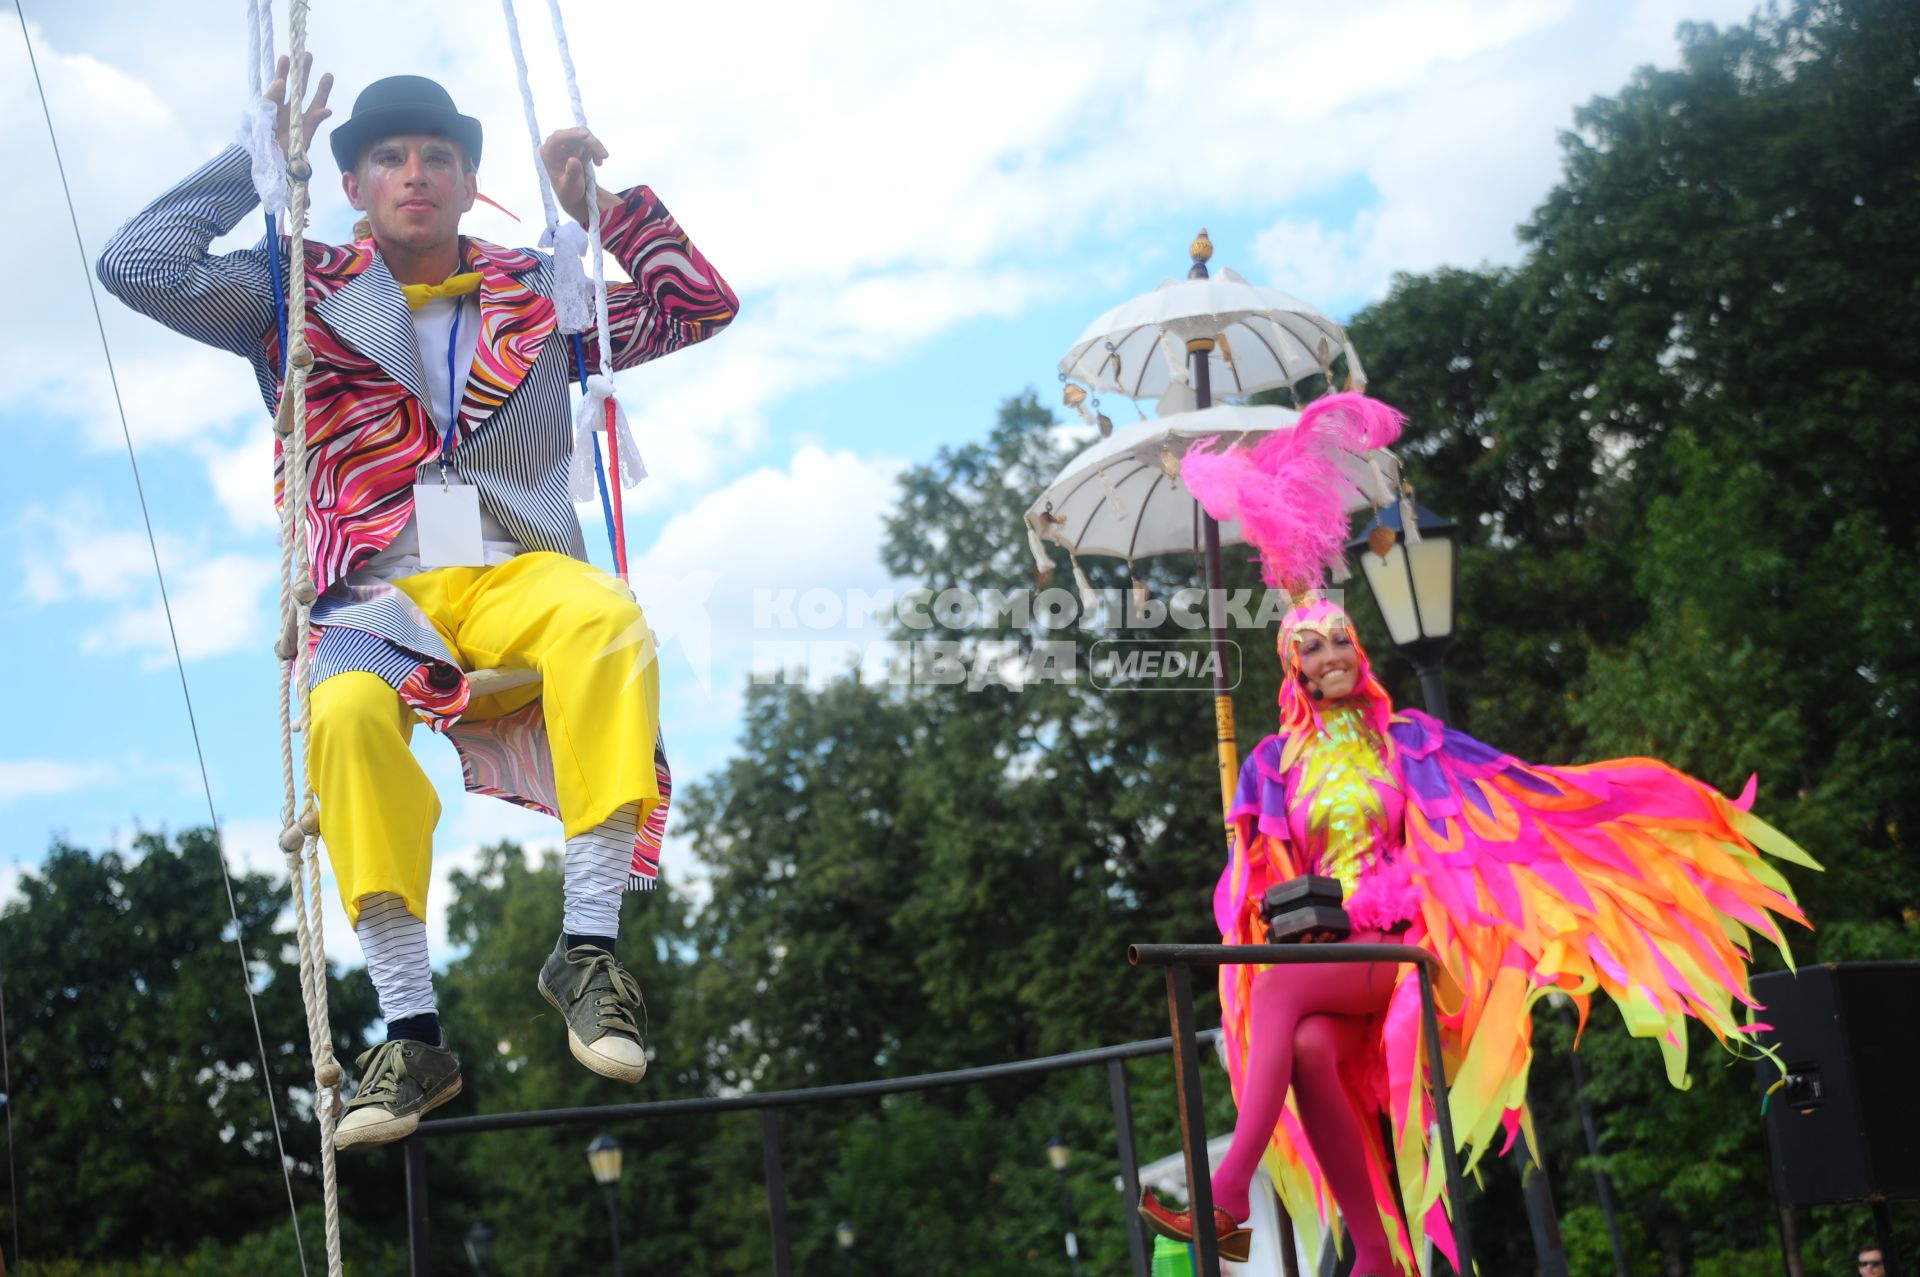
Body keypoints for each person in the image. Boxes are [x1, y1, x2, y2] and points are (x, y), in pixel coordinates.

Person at [97, 59, 737, 1148]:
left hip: (509, 569)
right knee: (344, 718)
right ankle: (412, 1027)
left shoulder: (540, 292)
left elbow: (696, 306)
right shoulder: (293, 293)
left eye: (438, 156)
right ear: (353, 183)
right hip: (375, 595)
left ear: (469, 177)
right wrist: (255, 166)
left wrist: (607, 210)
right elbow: (137, 264)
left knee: (607, 621)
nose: (415, 173)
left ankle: (587, 949)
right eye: (389, 157)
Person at [1134, 394, 1818, 1275]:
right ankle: (1378, 1259)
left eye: (1343, 641)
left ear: (1357, 651)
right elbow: (1264, 882)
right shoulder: (1269, 766)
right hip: (1325, 960)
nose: (1335, 655)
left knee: (1273, 1000)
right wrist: (1245, 857)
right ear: (1293, 666)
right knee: (1299, 1042)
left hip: (1404, 947)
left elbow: (1512, 798)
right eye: (1317, 649)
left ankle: (1223, 1195)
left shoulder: (1408, 739)